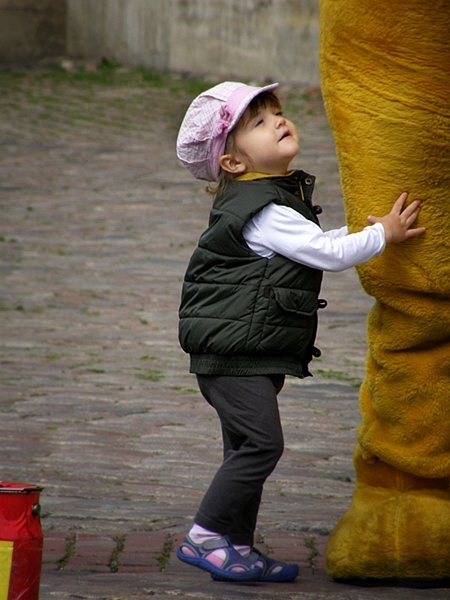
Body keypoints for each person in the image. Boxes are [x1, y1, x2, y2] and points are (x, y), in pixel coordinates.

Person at [174, 81, 425, 583]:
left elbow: (313, 243)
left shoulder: (269, 200)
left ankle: (236, 548)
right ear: (233, 163)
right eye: (259, 122)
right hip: (234, 356)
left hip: (245, 351)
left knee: (242, 450)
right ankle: (204, 536)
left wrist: (362, 234)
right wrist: (384, 236)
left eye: (278, 113)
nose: (279, 121)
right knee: (261, 446)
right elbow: (327, 255)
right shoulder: (264, 208)